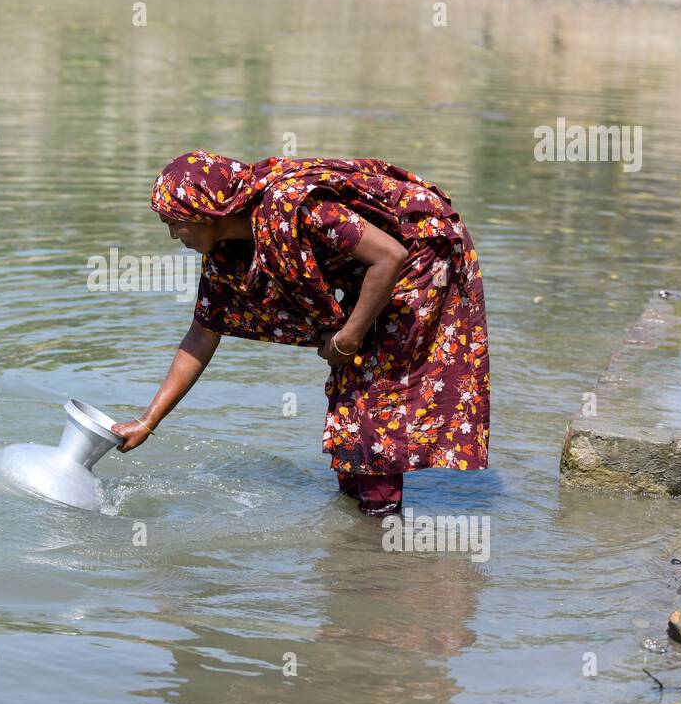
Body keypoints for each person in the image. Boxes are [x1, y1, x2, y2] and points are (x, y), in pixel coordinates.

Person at [111, 151, 490, 516]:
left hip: (420, 247)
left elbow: (390, 256)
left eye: (175, 223)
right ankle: (357, 521)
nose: (174, 235)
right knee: (352, 381)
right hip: (376, 265)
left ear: (208, 212)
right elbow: (203, 333)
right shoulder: (226, 252)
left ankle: (380, 522)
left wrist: (349, 338)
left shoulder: (294, 206)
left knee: (376, 390)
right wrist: (148, 421)